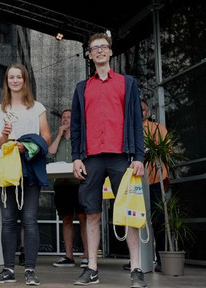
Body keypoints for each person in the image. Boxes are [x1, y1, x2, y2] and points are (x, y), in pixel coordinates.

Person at [71, 33, 146, 287]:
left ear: (111, 52)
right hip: (91, 158)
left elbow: (136, 122)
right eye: (95, 48)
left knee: (127, 212)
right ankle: (91, 268)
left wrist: (138, 156)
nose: (100, 51)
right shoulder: (82, 88)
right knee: (91, 213)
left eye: (104, 47)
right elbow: (76, 127)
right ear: (90, 55)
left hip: (121, 157)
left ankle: (136, 269)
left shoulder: (128, 83)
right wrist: (76, 158)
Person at [0, 63, 51, 285]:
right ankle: (7, 269)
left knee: (29, 220)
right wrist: (5, 138)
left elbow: (46, 137)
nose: (15, 81)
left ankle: (30, 270)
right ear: (6, 81)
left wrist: (26, 146)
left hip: (30, 167)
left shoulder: (37, 107)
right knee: (7, 220)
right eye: (11, 77)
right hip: (6, 169)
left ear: (25, 80)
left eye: (18, 77)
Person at [123, 99, 168, 273]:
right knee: (134, 220)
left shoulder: (157, 128)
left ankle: (161, 260)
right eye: (136, 110)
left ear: (147, 112)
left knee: (158, 221)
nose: (139, 113)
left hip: (155, 180)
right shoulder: (128, 131)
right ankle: (136, 260)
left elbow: (167, 151)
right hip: (135, 183)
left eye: (142, 110)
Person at [48, 109, 89, 268]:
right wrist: (59, 135)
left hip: (78, 183)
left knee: (83, 218)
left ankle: (87, 255)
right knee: (66, 219)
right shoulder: (58, 138)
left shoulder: (80, 137)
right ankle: (69, 256)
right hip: (61, 184)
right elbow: (51, 153)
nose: (65, 120)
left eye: (69, 117)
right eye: (63, 117)